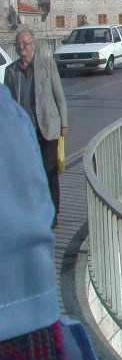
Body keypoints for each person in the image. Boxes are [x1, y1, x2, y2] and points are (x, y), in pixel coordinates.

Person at [0, 83, 81, 360]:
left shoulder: (9, 115)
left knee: (51, 180)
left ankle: (56, 210)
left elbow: (56, 95)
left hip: (44, 130)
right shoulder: (8, 120)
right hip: (26, 345)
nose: (26, 49)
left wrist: (62, 122)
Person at [5, 29, 68, 226]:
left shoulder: (47, 64)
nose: (21, 47)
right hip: (24, 132)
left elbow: (59, 94)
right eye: (18, 44)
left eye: (25, 43)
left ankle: (52, 214)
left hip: (48, 127)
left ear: (34, 44)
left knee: (49, 172)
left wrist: (63, 122)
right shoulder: (11, 71)